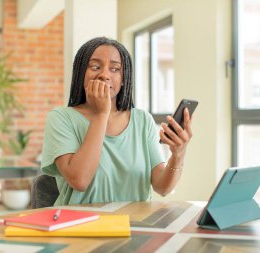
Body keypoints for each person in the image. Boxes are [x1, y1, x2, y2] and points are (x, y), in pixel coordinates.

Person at [41, 37, 194, 206]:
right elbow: (80, 180)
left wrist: (178, 154)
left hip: (135, 226)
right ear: (80, 74)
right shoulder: (61, 118)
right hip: (81, 227)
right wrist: (101, 114)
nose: (104, 75)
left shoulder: (142, 120)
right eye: (95, 67)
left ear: (123, 80)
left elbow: (162, 187)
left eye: (115, 69)